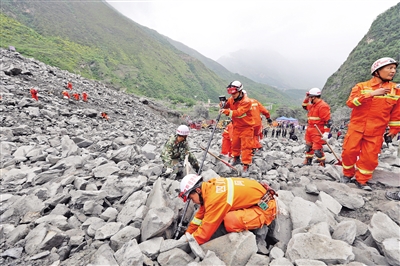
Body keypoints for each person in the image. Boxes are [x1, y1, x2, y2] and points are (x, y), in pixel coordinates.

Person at [341, 57, 399, 192]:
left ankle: (362, 180)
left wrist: (395, 129)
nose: (393, 71)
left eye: (394, 68)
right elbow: (351, 103)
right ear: (377, 71)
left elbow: (396, 113)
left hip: (376, 130)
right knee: (349, 152)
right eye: (389, 68)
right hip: (357, 127)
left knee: (369, 158)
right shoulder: (361, 87)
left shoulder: (395, 90)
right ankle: (347, 174)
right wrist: (371, 94)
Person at [179, 174, 277, 245]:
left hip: (266, 208)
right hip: (260, 197)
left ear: (198, 190)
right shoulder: (210, 186)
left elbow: (204, 234)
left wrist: (189, 242)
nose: (193, 202)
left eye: (191, 198)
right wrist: (188, 233)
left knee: (230, 220)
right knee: (221, 213)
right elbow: (201, 214)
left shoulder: (215, 199)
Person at [220, 81, 254, 176]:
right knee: (235, 144)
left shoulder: (246, 102)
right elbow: (227, 104)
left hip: (246, 127)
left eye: (234, 93)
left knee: (246, 147)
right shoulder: (232, 99)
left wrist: (226, 111)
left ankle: (246, 165)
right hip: (236, 127)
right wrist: (223, 104)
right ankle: (236, 158)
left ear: (239, 91)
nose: (233, 95)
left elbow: (238, 112)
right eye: (231, 93)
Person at [302, 87, 332, 167]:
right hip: (310, 128)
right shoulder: (313, 105)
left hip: (318, 130)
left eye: (310, 97)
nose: (309, 99)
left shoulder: (323, 106)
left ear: (314, 97)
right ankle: (308, 161)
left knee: (317, 150)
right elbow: (304, 106)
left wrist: (326, 133)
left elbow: (328, 121)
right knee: (308, 146)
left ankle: (322, 163)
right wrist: (306, 98)